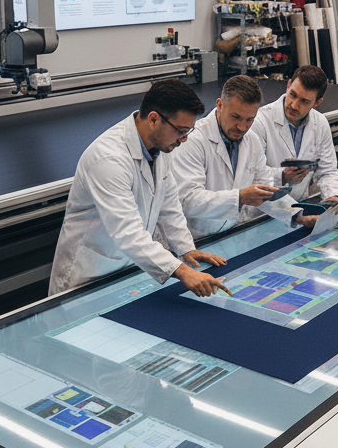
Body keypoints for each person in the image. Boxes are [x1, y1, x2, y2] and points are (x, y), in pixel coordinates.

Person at [49, 79, 229, 297]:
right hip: (89, 274)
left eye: (188, 131)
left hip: (125, 268)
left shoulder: (161, 147)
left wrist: (185, 248)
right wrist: (181, 271)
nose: (184, 139)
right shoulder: (109, 159)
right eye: (181, 131)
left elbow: (168, 205)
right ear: (154, 119)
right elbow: (127, 231)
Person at [171, 74, 316, 238]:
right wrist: (239, 198)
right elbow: (188, 200)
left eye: (250, 119)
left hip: (235, 234)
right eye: (236, 117)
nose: (242, 127)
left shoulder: (251, 140)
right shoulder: (193, 141)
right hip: (199, 238)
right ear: (220, 105)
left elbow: (264, 186)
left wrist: (297, 214)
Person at [254, 64, 338, 204]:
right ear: (288, 85)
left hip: (299, 207)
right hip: (263, 211)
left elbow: (327, 171)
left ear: (317, 103)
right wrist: (282, 176)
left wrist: (333, 197)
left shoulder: (320, 123)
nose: (294, 105)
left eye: (304, 101)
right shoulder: (260, 121)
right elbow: (252, 174)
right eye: (293, 95)